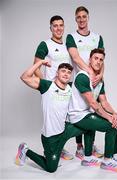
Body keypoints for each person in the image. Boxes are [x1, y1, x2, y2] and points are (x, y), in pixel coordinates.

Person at [15, 61, 88, 173]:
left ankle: (86, 155)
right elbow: (24, 77)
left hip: (65, 130)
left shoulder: (70, 87)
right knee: (51, 169)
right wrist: (40, 62)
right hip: (51, 137)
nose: (66, 74)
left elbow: (89, 83)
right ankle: (25, 150)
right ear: (57, 73)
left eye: (69, 72)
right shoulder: (47, 86)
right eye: (63, 71)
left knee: (89, 125)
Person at [68, 48, 117, 172]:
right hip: (78, 115)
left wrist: (114, 113)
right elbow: (93, 103)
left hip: (88, 113)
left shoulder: (99, 81)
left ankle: (110, 156)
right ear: (90, 60)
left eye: (101, 60)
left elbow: (104, 102)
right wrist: (109, 117)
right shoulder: (82, 77)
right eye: (96, 58)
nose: (98, 61)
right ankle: (107, 161)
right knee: (111, 125)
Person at [66, 6, 104, 159]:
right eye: (78, 17)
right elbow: (75, 57)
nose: (81, 19)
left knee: (92, 110)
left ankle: (90, 145)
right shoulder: (71, 37)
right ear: (76, 19)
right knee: (78, 112)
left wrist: (100, 75)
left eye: (84, 16)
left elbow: (102, 58)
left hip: (94, 81)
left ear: (88, 18)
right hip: (79, 80)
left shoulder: (97, 37)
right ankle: (79, 147)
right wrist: (89, 71)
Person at [33, 15, 73, 160]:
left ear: (64, 27)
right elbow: (36, 66)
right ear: (50, 27)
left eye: (61, 25)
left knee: (64, 118)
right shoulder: (45, 44)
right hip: (52, 88)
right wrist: (47, 86)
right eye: (55, 25)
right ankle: (50, 150)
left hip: (66, 87)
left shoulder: (67, 46)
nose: (58, 28)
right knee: (51, 121)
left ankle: (59, 148)